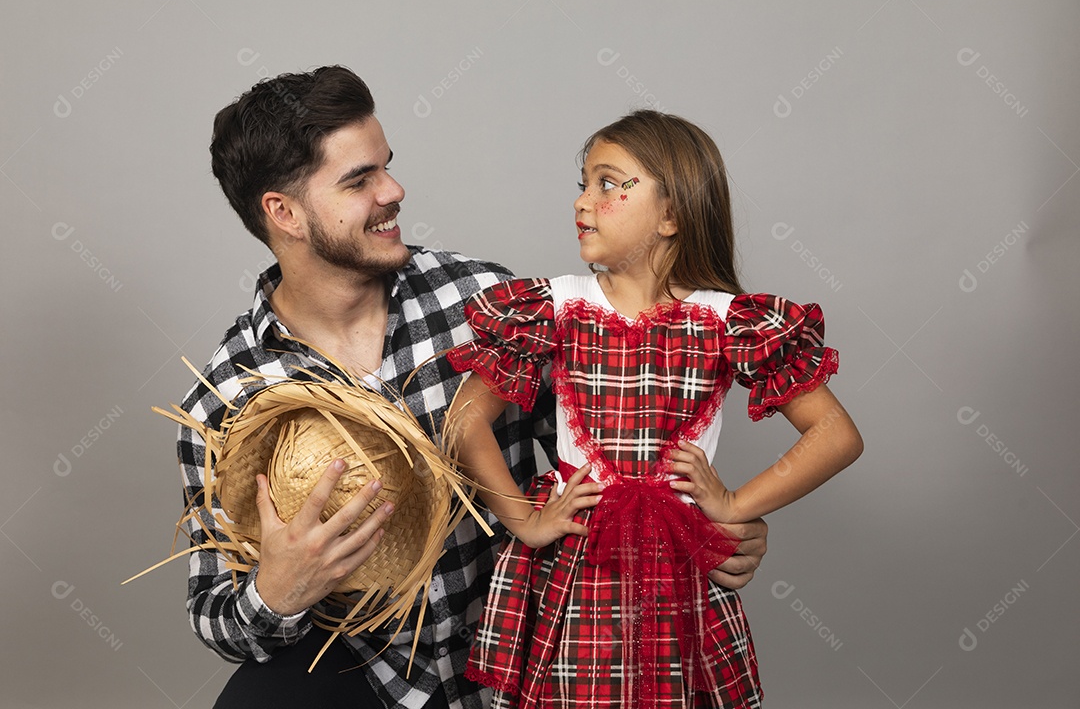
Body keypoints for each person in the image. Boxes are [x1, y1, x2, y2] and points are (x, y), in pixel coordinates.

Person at [176, 67, 769, 709]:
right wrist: (277, 590)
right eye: (359, 180)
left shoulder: (484, 304)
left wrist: (717, 519)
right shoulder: (230, 392)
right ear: (283, 212)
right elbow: (217, 615)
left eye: (386, 166)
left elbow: (611, 448)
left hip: (527, 644)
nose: (394, 191)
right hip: (370, 674)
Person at [445, 110, 863, 708]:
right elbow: (464, 421)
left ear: (671, 215)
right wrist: (524, 520)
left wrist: (735, 504)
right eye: (583, 184)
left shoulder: (730, 322)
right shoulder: (554, 307)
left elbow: (835, 434)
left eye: (610, 184)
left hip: (677, 568)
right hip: (577, 561)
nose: (583, 202)